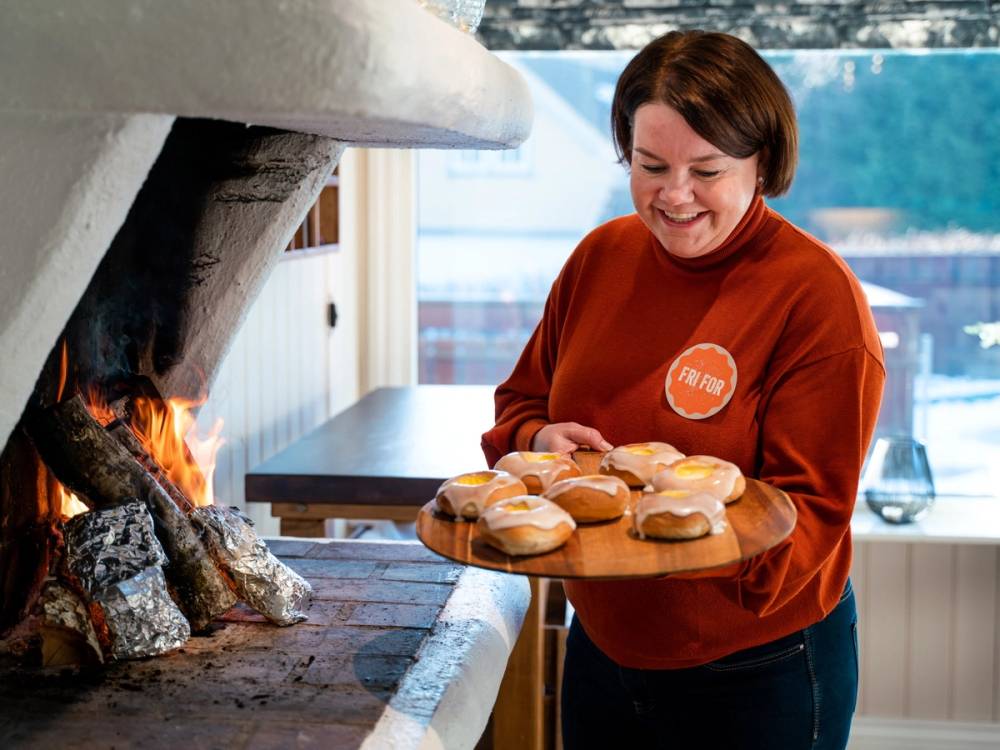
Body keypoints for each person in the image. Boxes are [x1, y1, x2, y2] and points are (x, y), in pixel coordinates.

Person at [481, 30, 885, 750]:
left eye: (707, 169)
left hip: (760, 668)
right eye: (651, 164)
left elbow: (814, 507)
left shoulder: (815, 297)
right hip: (601, 649)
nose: (674, 195)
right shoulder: (599, 258)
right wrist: (539, 440)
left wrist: (680, 575)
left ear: (762, 164)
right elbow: (520, 403)